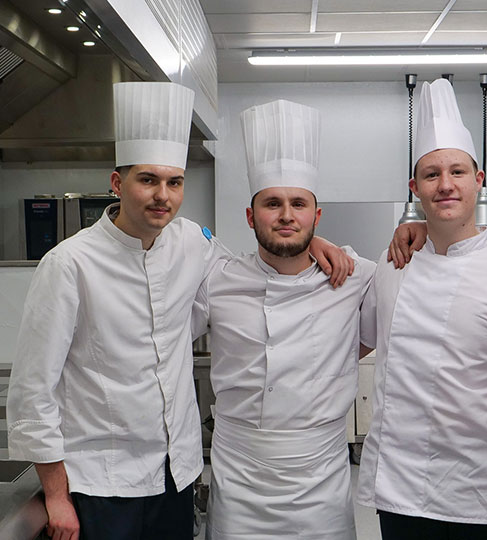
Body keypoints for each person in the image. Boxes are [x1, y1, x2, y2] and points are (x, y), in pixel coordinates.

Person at [7, 84, 352, 540]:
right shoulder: (69, 264)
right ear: (117, 182)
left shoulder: (192, 242)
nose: (161, 196)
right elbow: (33, 390)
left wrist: (310, 243)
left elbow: (253, 268)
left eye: (174, 182)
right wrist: (55, 495)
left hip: (176, 474)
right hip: (102, 482)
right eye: (147, 179)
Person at [356, 78, 487, 539]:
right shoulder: (393, 264)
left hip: (479, 499)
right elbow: (361, 338)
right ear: (415, 187)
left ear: (478, 181)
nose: (445, 185)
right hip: (397, 494)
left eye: (457, 172)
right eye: (432, 175)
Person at [193, 99, 375, 540]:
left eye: (299, 203)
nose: (287, 215)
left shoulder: (357, 276)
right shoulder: (216, 278)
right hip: (239, 475)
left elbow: (368, 336)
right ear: (251, 216)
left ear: (317, 215)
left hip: (320, 481)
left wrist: (422, 228)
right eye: (272, 203)